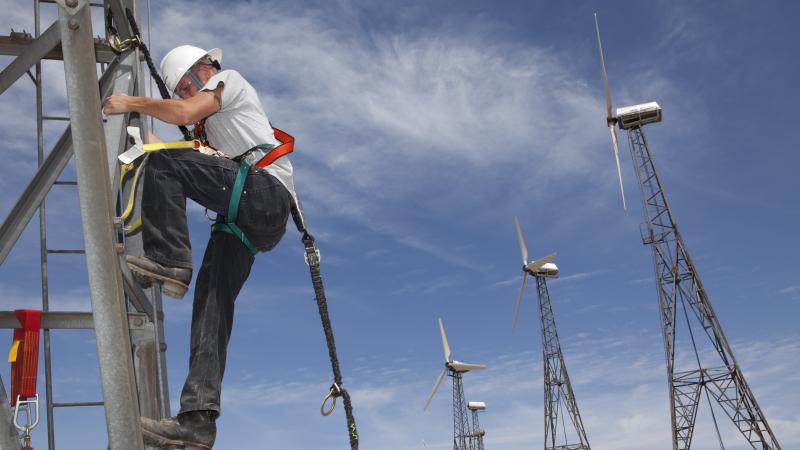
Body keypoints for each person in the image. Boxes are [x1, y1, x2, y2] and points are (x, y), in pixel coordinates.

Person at [103, 45, 297, 449]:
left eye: (192, 82)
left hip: (263, 195)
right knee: (210, 308)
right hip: (245, 220)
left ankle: (171, 260)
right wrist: (134, 133)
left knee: (163, 162)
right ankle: (197, 421)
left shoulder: (229, 82)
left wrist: (130, 102)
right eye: (184, 88)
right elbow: (173, 146)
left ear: (208, 68)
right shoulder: (212, 134)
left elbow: (183, 120)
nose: (190, 91)